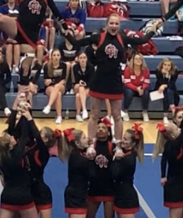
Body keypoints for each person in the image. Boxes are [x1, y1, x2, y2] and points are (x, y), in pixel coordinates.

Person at [61, 13, 158, 150]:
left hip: (115, 80)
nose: (114, 26)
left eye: (116, 24)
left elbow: (142, 41)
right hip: (99, 78)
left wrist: (153, 30)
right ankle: (91, 144)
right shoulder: (98, 37)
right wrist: (65, 32)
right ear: (106, 25)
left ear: (119, 25)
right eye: (111, 23)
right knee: (94, 114)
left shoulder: (123, 38)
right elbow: (77, 43)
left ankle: (118, 145)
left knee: (117, 115)